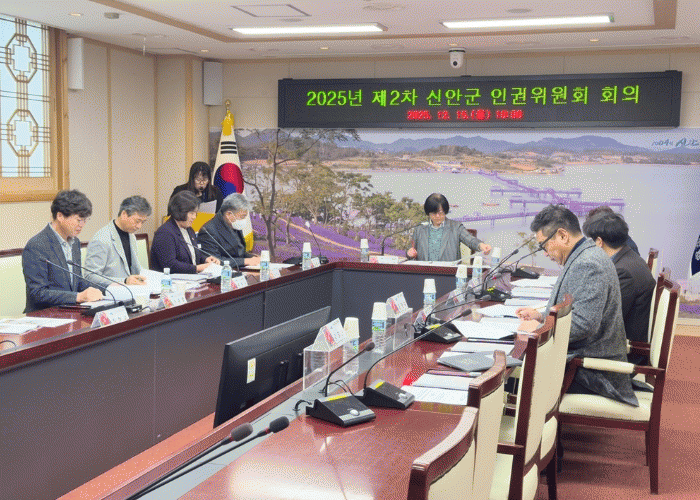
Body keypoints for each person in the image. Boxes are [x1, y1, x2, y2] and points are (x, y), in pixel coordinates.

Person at [516, 204, 638, 406]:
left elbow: (583, 325)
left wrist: (539, 328)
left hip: (592, 374)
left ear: (562, 236)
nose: (545, 253)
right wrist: (541, 316)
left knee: (511, 379)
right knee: (516, 368)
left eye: (544, 245)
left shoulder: (588, 263)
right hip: (581, 361)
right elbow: (573, 313)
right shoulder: (583, 255)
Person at [582, 213, 656, 362]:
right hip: (622, 342)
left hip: (623, 353)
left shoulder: (623, 272)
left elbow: (606, 321)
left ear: (599, 242)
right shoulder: (628, 259)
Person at [22, 190, 104, 313]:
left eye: (85, 220)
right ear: (60, 216)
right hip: (43, 315)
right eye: (79, 220)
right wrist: (77, 297)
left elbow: (77, 282)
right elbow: (37, 293)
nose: (82, 225)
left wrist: (109, 289)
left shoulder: (75, 243)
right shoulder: (36, 245)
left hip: (70, 311)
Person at [84, 196, 152, 287]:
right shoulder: (101, 239)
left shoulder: (131, 236)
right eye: (137, 221)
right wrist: (124, 281)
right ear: (124, 214)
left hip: (132, 290)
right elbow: (90, 276)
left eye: (142, 222)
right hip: (111, 292)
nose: (139, 226)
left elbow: (133, 270)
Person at [407, 193, 491, 261]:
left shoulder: (456, 227)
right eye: (434, 213)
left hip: (449, 273)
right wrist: (410, 253)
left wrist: (481, 246)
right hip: (425, 273)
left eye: (440, 212)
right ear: (428, 213)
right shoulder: (419, 229)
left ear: (445, 211)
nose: (437, 216)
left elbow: (471, 240)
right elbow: (411, 249)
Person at [151, 191, 220, 274]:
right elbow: (170, 265)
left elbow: (192, 255)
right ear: (180, 211)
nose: (194, 217)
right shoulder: (164, 233)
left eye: (195, 213)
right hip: (171, 279)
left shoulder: (189, 230)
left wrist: (206, 259)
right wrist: (198, 268)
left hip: (191, 277)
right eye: (192, 213)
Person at [198, 193, 260, 268]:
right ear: (228, 214)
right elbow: (214, 261)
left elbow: (238, 253)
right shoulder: (208, 231)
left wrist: (253, 258)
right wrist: (245, 261)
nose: (244, 220)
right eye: (242, 217)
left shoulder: (233, 224)